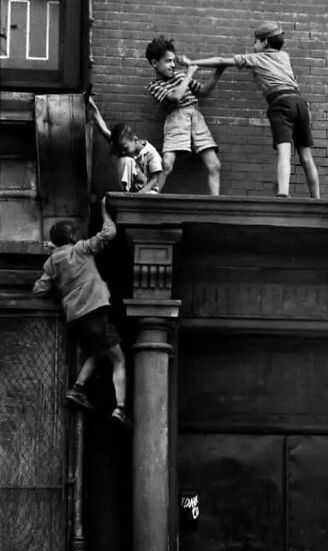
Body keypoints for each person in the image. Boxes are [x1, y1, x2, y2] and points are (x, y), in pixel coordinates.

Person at [183, 21, 320, 199]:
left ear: (265, 42)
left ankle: (283, 193)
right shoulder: (284, 56)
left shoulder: (255, 58)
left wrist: (191, 62)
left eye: (256, 41)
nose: (253, 45)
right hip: (299, 102)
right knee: (306, 156)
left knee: (284, 152)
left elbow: (220, 61)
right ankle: (316, 199)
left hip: (281, 103)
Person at [32, 199, 132, 429]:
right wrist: (104, 209)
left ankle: (77, 388)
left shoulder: (52, 262)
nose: (78, 235)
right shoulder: (81, 249)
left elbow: (39, 290)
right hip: (94, 310)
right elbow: (109, 232)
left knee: (98, 352)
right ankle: (120, 408)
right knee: (119, 359)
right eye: (75, 233)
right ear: (71, 236)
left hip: (76, 318)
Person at [145, 35, 224, 195]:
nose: (173, 65)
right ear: (154, 63)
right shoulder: (155, 86)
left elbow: (203, 91)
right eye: (168, 61)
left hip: (196, 116)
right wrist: (189, 74)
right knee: (166, 165)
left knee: (215, 165)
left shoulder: (180, 76)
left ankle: (215, 203)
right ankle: (152, 196)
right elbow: (175, 98)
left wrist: (218, 73)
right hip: (176, 119)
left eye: (174, 61)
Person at [89, 97, 163, 193]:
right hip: (133, 190)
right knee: (125, 160)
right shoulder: (123, 144)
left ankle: (129, 196)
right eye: (120, 149)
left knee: (127, 160)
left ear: (135, 140)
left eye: (125, 148)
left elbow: (154, 180)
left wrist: (139, 195)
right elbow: (104, 129)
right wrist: (92, 105)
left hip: (148, 191)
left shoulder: (151, 153)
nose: (122, 152)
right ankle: (125, 193)